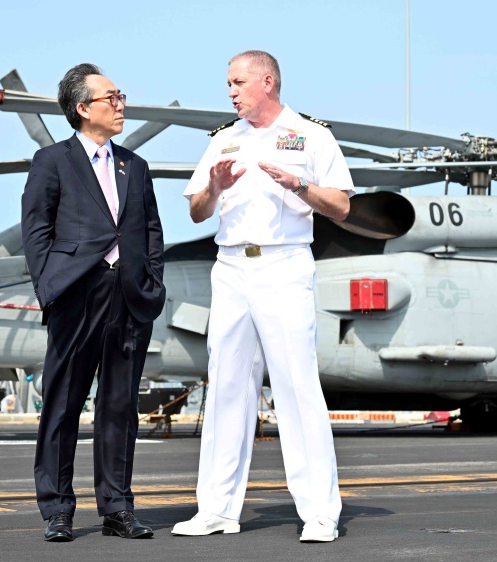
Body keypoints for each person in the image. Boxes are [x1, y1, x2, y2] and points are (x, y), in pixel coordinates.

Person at [171, 50, 353, 543]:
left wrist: (299, 184)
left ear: (266, 81)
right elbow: (196, 212)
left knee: (296, 387)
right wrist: (212, 186)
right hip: (230, 266)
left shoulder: (311, 135)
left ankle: (319, 513)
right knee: (227, 387)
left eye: (237, 82)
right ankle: (216, 509)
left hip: (284, 263)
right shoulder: (223, 140)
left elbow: (339, 206)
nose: (229, 91)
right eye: (228, 83)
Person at [21, 63, 166, 542]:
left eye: (121, 95)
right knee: (63, 404)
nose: (121, 104)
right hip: (76, 295)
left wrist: (152, 283)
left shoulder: (135, 165)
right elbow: (37, 229)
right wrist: (50, 287)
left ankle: (117, 508)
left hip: (129, 297)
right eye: (111, 97)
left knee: (120, 407)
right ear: (83, 109)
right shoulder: (52, 161)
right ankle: (57, 509)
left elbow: (151, 232)